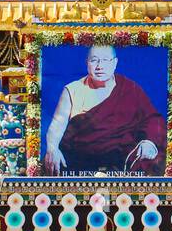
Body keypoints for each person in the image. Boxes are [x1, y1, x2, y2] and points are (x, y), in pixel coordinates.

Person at [43, 44, 165, 175]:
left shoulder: (130, 89)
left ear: (115, 63)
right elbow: (57, 123)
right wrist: (52, 148)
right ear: (87, 63)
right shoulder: (72, 90)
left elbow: (153, 119)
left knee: (155, 164)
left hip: (121, 161)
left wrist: (149, 142)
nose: (99, 66)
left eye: (106, 60)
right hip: (79, 161)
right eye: (94, 60)